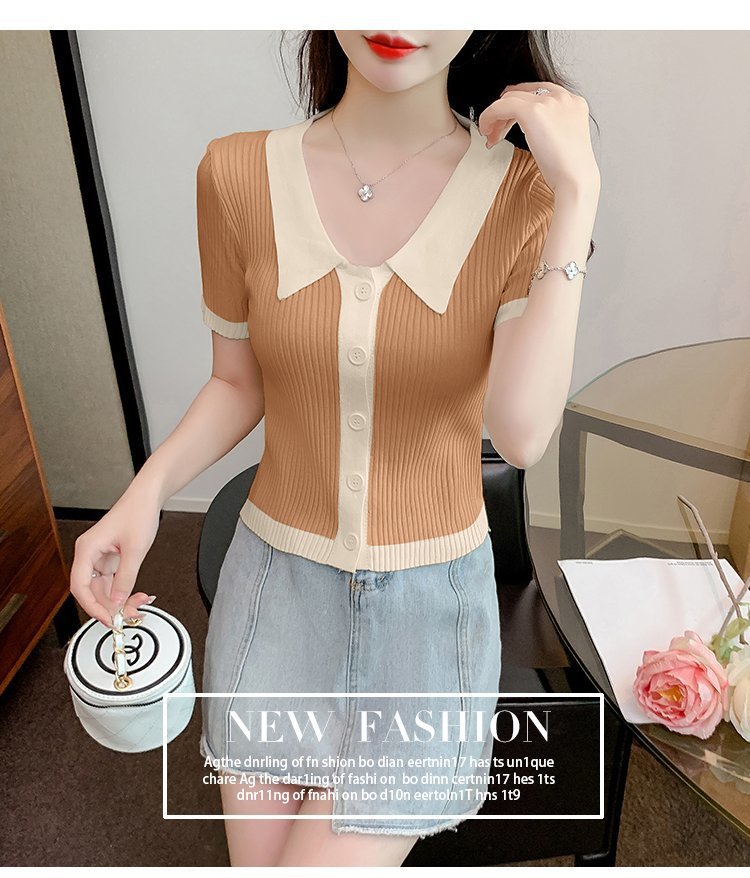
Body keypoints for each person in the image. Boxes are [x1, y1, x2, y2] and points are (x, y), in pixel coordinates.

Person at [70, 30, 600, 868]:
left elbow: (523, 431)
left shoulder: (524, 195)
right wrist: (144, 495)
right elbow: (237, 382)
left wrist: (577, 196)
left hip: (427, 620)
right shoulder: (236, 174)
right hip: (274, 594)